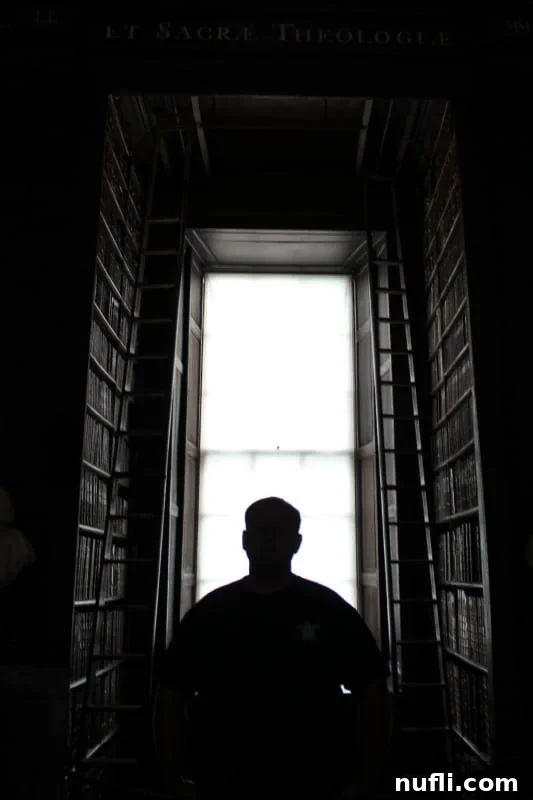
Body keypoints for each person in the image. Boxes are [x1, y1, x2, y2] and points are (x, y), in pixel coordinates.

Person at [153, 497, 391, 799]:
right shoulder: (211, 613)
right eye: (261, 531)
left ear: (296, 542)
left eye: (277, 532)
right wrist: (173, 778)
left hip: (310, 780)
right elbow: (171, 697)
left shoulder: (329, 610)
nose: (268, 540)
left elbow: (373, 694)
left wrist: (368, 779)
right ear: (245, 540)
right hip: (227, 780)